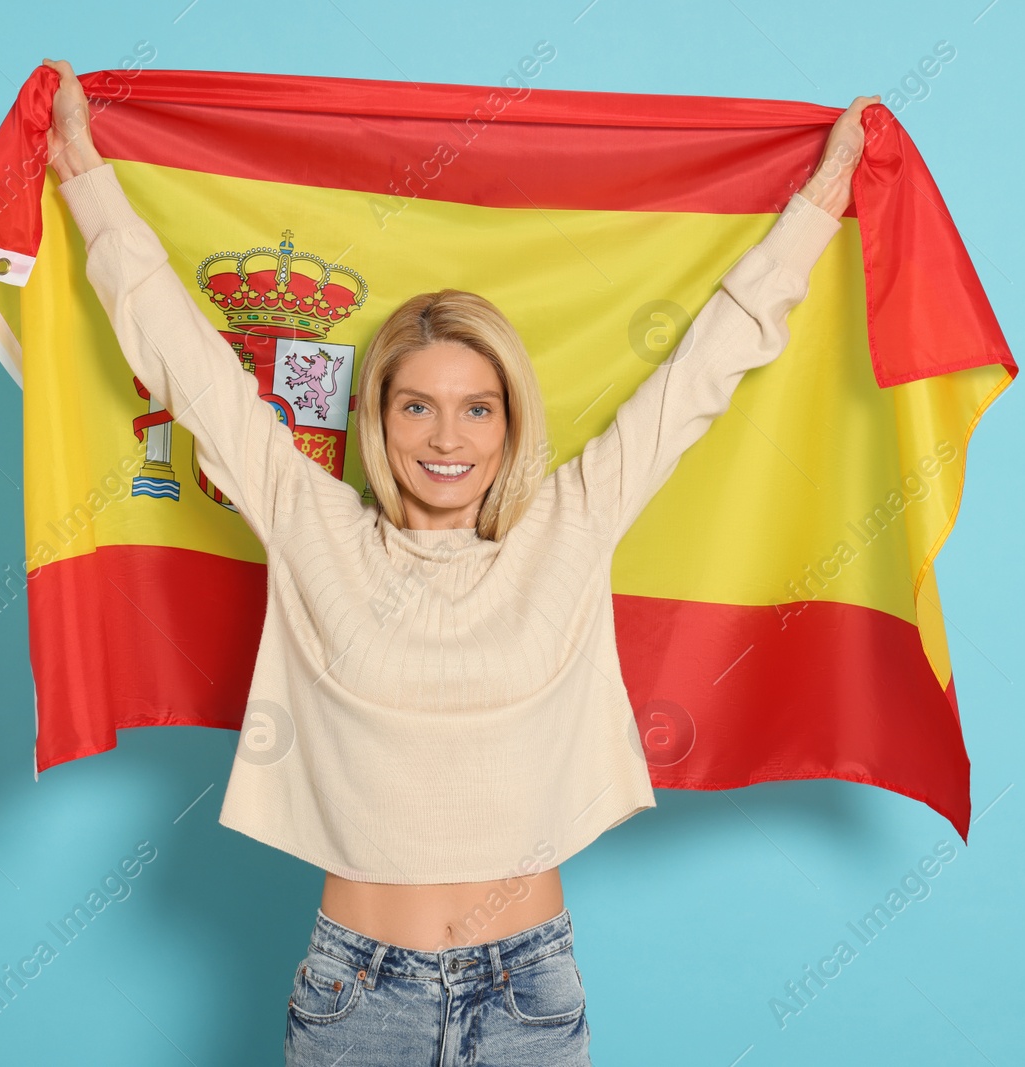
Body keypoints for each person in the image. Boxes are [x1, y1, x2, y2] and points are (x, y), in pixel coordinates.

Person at [43, 56, 873, 1066]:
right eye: (417, 405)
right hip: (357, 989)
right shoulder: (313, 523)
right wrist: (83, 173)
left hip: (528, 989)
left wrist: (818, 203)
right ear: (379, 421)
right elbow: (186, 361)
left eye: (478, 406)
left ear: (510, 420)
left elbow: (706, 367)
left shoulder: (571, 520)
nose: (448, 436)